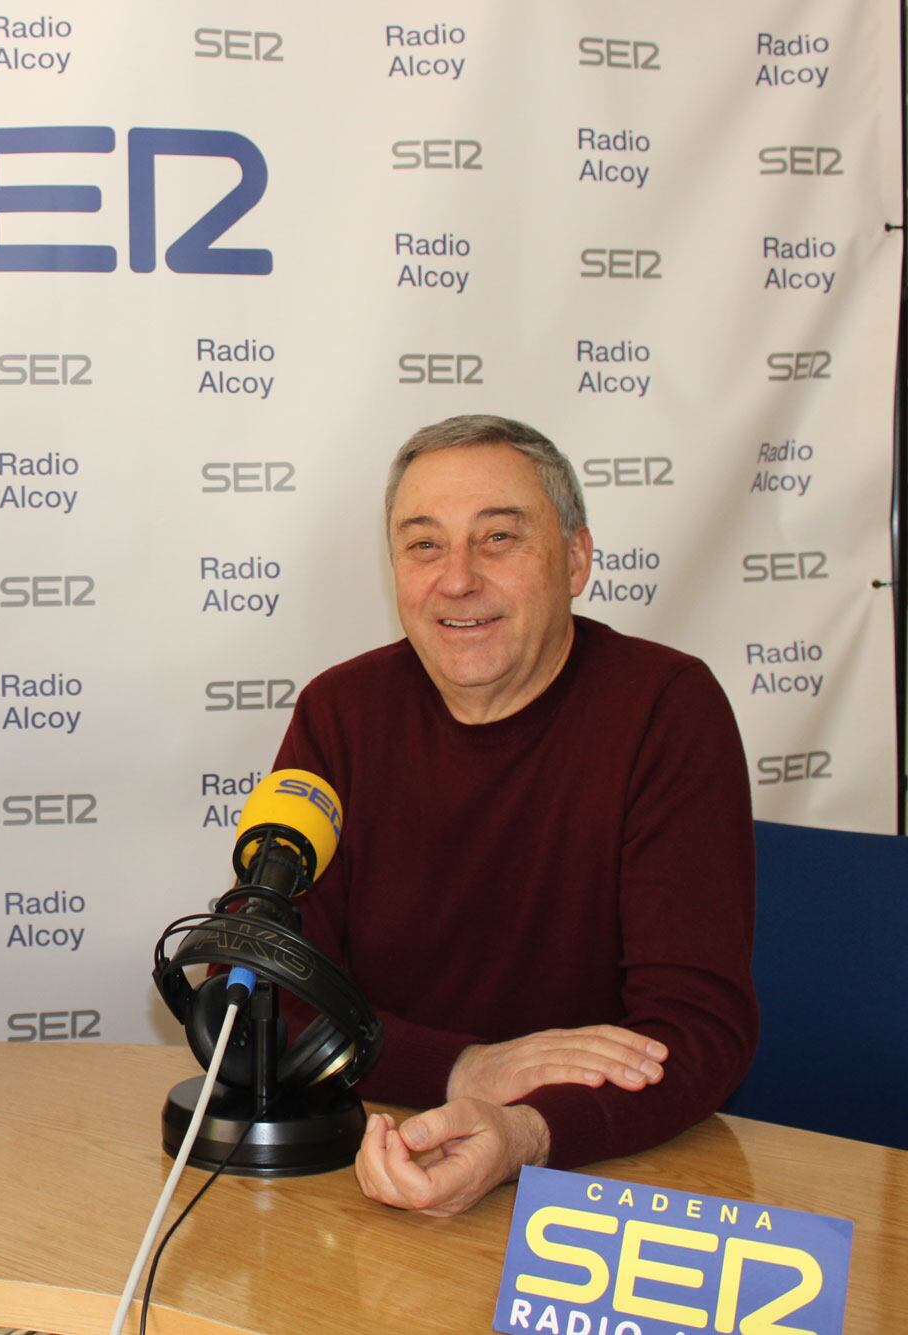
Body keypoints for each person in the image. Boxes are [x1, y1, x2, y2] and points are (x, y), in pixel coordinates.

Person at [273, 414, 758, 1216]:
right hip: (373, 1158)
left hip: (598, 1183)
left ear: (575, 558)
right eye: (424, 544)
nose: (456, 579)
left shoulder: (666, 709)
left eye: (498, 538)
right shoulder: (341, 712)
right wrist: (463, 1069)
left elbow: (700, 1032)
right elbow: (256, 986)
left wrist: (523, 1132)